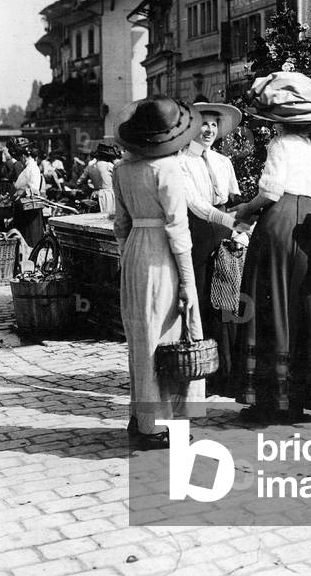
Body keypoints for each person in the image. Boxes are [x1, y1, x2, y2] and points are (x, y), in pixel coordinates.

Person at [233, 71, 311, 422]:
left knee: (269, 302)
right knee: (300, 306)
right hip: (307, 225)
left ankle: (268, 400)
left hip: (278, 224)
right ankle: (298, 396)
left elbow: (270, 192)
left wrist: (245, 210)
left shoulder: (279, 145)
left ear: (278, 121)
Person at [113, 96, 205, 449]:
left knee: (140, 337)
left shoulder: (122, 170)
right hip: (162, 255)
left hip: (136, 250)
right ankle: (158, 425)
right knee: (165, 338)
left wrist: (128, 258)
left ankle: (141, 416)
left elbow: (120, 225)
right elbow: (178, 229)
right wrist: (186, 280)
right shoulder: (166, 169)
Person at [179, 102, 250, 396]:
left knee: (230, 297)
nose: (208, 130)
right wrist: (231, 221)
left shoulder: (224, 162)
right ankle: (204, 373)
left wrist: (242, 229)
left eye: (213, 125)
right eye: (203, 123)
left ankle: (231, 373)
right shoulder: (181, 161)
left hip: (225, 230)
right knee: (203, 298)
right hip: (198, 232)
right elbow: (196, 204)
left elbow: (234, 198)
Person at [13, 144, 45, 247]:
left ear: (23, 156)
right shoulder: (28, 168)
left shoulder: (32, 168)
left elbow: (34, 189)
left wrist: (21, 192)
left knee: (31, 238)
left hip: (30, 209)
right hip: (25, 209)